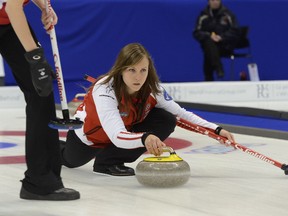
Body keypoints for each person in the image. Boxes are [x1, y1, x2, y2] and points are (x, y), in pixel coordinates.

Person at [60, 43, 235, 176]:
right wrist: (145, 137)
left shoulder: (152, 88)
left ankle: (107, 163)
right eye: (132, 70)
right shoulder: (104, 89)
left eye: (143, 70)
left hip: (123, 134)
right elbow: (116, 135)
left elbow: (181, 114)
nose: (138, 77)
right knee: (69, 161)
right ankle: (52, 144)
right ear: (121, 70)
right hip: (90, 138)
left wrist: (216, 130)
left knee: (166, 119)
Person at [0, 0, 80, 200]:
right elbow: (12, 5)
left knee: (40, 89)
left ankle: (42, 181)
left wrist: (44, 6)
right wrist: (35, 58)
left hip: (6, 21)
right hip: (9, 13)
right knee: (39, 78)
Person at [193, 0, 241, 81]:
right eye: (212, 0)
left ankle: (209, 78)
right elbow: (196, 32)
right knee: (209, 43)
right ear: (208, 2)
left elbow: (236, 31)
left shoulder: (227, 14)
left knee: (208, 50)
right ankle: (218, 68)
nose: (215, 2)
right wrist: (209, 36)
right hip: (209, 45)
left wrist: (221, 37)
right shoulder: (203, 16)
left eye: (217, 0)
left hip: (225, 45)